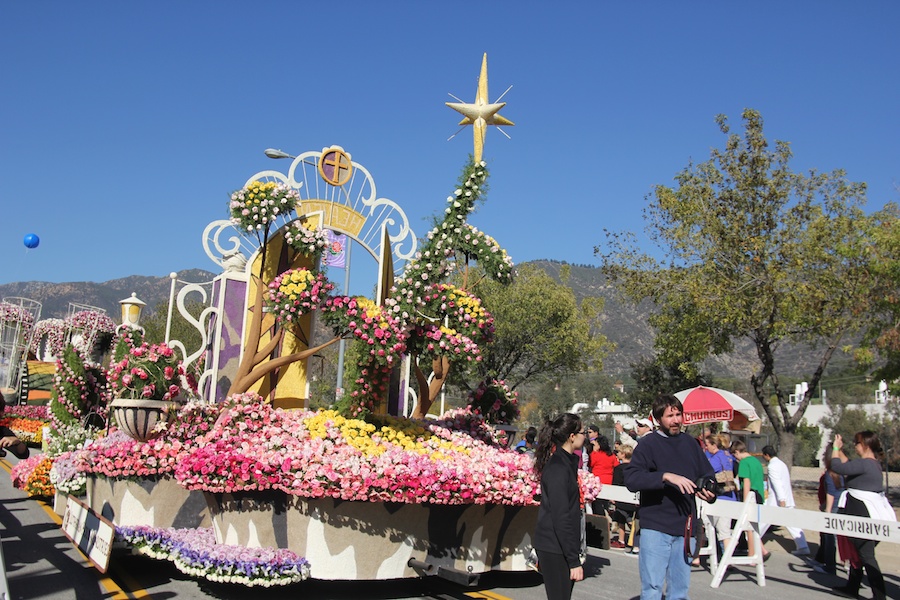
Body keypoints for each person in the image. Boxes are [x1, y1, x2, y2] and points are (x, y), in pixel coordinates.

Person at [624, 395, 715, 600]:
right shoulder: (648, 445)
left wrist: (708, 490)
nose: (675, 420)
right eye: (669, 416)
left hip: (685, 528)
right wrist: (664, 476)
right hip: (656, 527)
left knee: (680, 592)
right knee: (652, 589)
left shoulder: (691, 444)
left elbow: (707, 475)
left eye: (678, 414)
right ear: (658, 420)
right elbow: (632, 478)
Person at [827, 431, 895, 600]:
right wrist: (840, 451)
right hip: (865, 513)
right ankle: (852, 587)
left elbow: (837, 467)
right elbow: (848, 466)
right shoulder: (871, 465)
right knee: (858, 554)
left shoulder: (866, 464)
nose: (855, 446)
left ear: (864, 445)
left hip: (862, 514)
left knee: (866, 556)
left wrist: (835, 448)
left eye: (856, 443)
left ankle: (879, 596)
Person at [533, 413, 586, 600]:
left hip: (561, 546)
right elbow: (561, 516)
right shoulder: (558, 468)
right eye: (583, 432)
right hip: (554, 547)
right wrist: (573, 561)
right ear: (572, 436)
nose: (585, 436)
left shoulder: (567, 463)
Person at [759, 445, 809, 555]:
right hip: (787, 500)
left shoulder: (772, 467)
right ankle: (803, 547)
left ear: (767, 455)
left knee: (762, 523)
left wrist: (782, 499)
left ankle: (751, 542)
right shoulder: (782, 464)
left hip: (776, 502)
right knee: (793, 524)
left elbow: (777, 484)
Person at [730, 440, 769, 562]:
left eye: (735, 455)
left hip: (750, 495)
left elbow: (746, 482)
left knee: (748, 527)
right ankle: (763, 550)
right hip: (759, 494)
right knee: (753, 524)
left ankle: (752, 554)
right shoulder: (756, 461)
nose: (736, 458)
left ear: (737, 452)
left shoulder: (744, 463)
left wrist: (745, 501)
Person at [703, 434, 737, 556]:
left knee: (721, 530)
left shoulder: (716, 458)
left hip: (721, 497)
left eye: (707, 445)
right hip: (731, 495)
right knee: (723, 529)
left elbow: (707, 471)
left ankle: (727, 558)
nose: (706, 448)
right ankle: (725, 556)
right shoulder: (728, 455)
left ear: (714, 445)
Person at [610, 444, 637, 550]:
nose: (617, 454)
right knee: (626, 517)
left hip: (621, 496)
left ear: (623, 454)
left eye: (619, 452)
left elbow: (616, 483)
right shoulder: (635, 468)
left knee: (624, 518)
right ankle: (623, 539)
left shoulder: (618, 469)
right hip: (632, 496)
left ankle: (628, 539)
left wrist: (612, 496)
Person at [589, 435, 618, 515]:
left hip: (598, 482)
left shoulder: (596, 455)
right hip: (609, 481)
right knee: (606, 504)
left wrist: (594, 451)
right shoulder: (611, 455)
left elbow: (590, 464)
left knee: (597, 504)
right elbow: (616, 465)